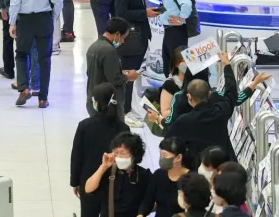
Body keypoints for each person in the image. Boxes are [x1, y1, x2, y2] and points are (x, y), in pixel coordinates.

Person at [8, 0, 61, 107]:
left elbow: (15, 1)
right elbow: (59, 0)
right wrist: (53, 17)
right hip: (44, 19)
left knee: (22, 54)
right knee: (45, 58)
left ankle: (24, 87)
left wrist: (12, 22)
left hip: (25, 20)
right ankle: (43, 98)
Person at [160, 52, 239, 159]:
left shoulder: (183, 121)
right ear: (209, 94)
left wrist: (158, 119)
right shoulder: (221, 110)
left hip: (197, 166)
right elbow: (232, 93)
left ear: (189, 96)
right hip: (223, 163)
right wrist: (227, 65)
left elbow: (168, 139)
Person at [70, 83, 131, 217]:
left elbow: (77, 157)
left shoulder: (85, 126)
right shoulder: (124, 129)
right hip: (114, 184)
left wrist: (75, 182)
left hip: (88, 181)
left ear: (96, 103)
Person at [114, 0, 155, 119]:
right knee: (129, 72)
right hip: (131, 37)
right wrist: (145, 13)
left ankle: (127, 106)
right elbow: (122, 12)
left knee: (133, 72)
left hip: (139, 35)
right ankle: (125, 109)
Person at [84, 132, 152, 217]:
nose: (119, 156)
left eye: (123, 153)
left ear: (134, 154)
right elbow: (88, 189)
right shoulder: (108, 171)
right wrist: (103, 167)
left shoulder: (145, 175)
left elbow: (152, 201)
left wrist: (142, 213)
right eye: (116, 152)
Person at [86, 17, 137, 119]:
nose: (122, 41)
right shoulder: (109, 51)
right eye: (123, 38)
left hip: (93, 99)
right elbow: (115, 80)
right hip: (108, 104)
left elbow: (96, 72)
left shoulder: (93, 47)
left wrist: (119, 71)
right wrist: (129, 77)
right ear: (117, 34)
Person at [155, 0, 193, 76]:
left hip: (176, 32)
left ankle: (176, 93)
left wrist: (181, 19)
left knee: (176, 69)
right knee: (169, 67)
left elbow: (186, 4)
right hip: (170, 31)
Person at [137, 137, 190, 217]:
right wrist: (141, 214)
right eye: (161, 155)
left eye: (165, 155)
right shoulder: (158, 175)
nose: (161, 158)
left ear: (178, 157)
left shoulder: (191, 179)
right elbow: (147, 202)